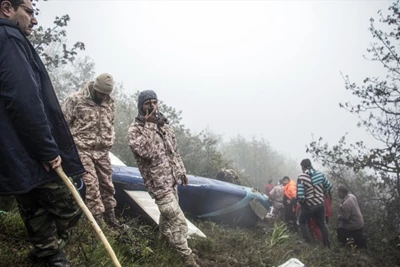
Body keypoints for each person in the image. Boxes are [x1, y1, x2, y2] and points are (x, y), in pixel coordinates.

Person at [0, 1, 85, 266]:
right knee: (69, 204)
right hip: (27, 147)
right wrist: (47, 149)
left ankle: (47, 255)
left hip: (14, 148)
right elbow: (24, 99)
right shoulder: (9, 38)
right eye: (29, 11)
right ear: (7, 8)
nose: (34, 20)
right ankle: (47, 252)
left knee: (32, 201)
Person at [128, 90, 199, 267]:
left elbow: (173, 151)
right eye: (147, 103)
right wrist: (150, 125)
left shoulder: (165, 125)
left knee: (167, 221)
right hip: (158, 185)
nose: (152, 106)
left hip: (172, 180)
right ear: (141, 106)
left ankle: (162, 248)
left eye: (154, 102)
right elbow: (147, 152)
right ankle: (187, 259)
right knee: (179, 222)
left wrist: (181, 171)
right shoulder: (136, 130)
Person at [62, 73, 124, 229]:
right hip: (82, 149)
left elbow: (110, 122)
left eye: (106, 94)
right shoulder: (76, 100)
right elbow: (61, 124)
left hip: (102, 152)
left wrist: (110, 139)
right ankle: (98, 226)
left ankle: (111, 220)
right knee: (91, 187)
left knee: (108, 187)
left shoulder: (110, 102)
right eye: (101, 93)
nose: (103, 96)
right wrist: (66, 151)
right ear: (95, 88)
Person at [297, 159, 332, 248]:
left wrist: (303, 205)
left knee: (302, 221)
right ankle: (327, 245)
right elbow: (329, 186)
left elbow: (300, 195)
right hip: (320, 204)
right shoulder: (320, 175)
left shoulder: (302, 177)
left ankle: (308, 243)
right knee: (322, 224)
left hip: (309, 205)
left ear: (303, 167)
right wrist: (323, 193)